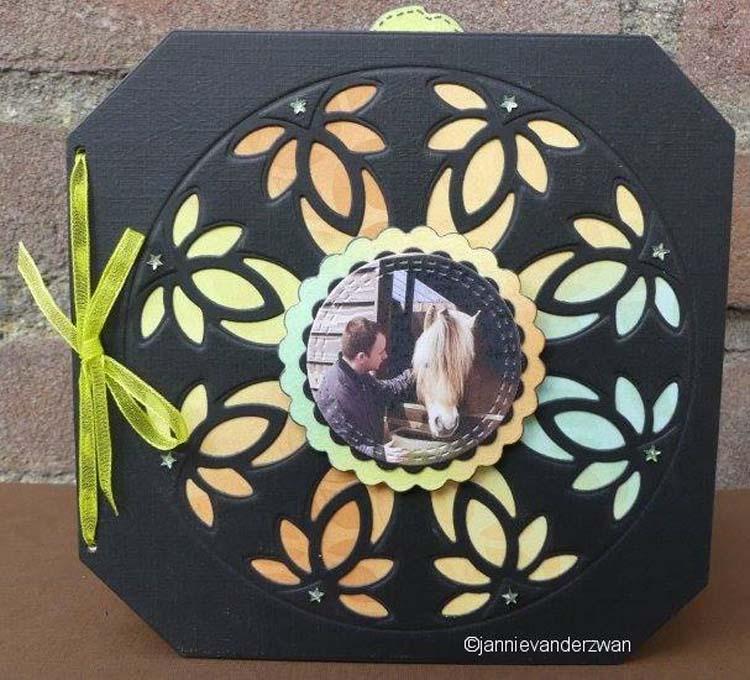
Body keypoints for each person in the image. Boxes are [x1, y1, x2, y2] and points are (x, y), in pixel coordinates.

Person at [316, 317, 413, 462]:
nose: (385, 356)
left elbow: (386, 391)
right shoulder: (336, 395)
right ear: (361, 357)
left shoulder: (358, 375)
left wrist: (413, 373)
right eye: (381, 352)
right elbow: (344, 444)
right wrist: (377, 453)